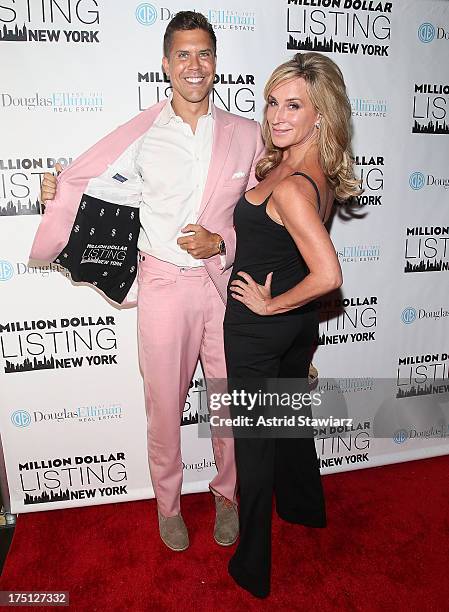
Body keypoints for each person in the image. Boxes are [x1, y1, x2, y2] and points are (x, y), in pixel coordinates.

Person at [33, 11, 264, 552]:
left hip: (224, 288)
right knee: (164, 406)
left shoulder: (247, 135)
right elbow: (94, 190)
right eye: (183, 54)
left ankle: (228, 496)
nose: (194, 64)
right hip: (162, 285)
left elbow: (262, 218)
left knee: (229, 399)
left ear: (216, 64)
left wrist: (223, 244)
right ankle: (168, 505)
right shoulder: (142, 135)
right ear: (165, 64)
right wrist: (58, 193)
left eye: (203, 53)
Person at [223, 52, 361, 597]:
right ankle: (305, 507)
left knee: (255, 445)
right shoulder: (311, 168)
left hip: (261, 330)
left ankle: (251, 566)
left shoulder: (290, 184)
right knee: (293, 426)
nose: (278, 116)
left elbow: (328, 273)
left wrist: (268, 306)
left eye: (294, 105)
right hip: (297, 329)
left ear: (320, 114)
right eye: (273, 102)